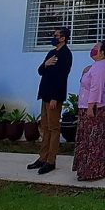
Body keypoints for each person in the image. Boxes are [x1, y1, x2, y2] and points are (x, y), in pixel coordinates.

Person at [28, 26, 73, 175]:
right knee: (45, 127)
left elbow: (62, 77)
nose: (53, 37)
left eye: (56, 35)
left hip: (54, 97)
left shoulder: (66, 54)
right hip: (45, 94)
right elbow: (41, 71)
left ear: (63, 38)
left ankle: (51, 161)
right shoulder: (51, 53)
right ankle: (42, 157)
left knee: (53, 128)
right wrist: (45, 64)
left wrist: (55, 97)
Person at [73, 40, 105, 181]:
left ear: (102, 53)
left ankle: (93, 170)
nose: (93, 49)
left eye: (96, 47)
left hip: (95, 106)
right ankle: (86, 169)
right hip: (87, 105)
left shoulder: (100, 67)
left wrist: (91, 106)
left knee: (93, 138)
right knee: (87, 137)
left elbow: (96, 87)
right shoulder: (96, 66)